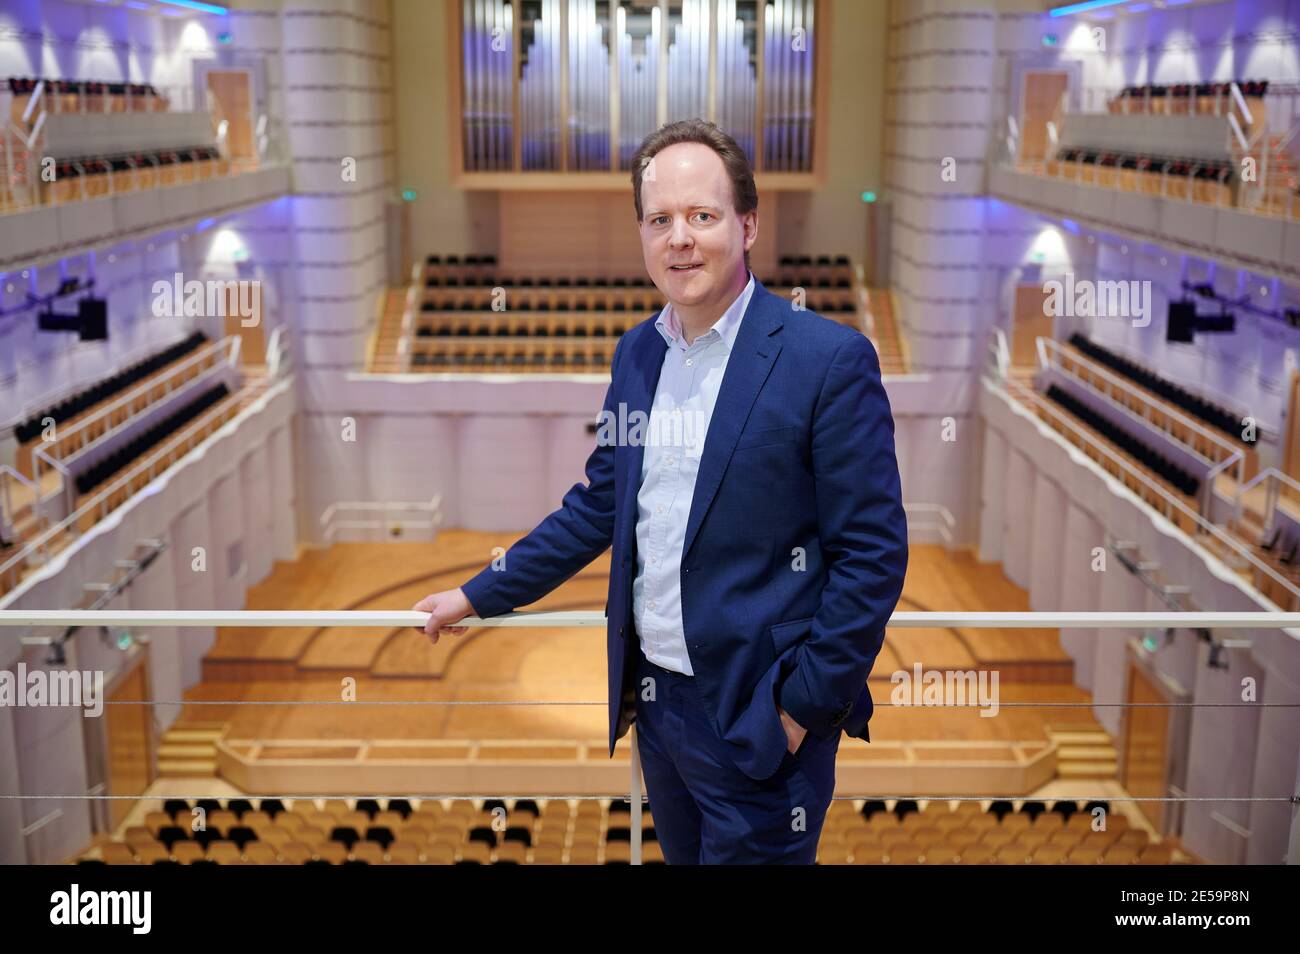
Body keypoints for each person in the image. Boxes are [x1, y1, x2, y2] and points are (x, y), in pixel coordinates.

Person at [414, 118, 908, 864]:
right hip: (655, 704)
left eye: (702, 216)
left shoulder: (828, 360)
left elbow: (872, 555)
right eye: (660, 220)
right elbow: (599, 505)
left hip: (761, 714)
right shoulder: (638, 354)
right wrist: (477, 595)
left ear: (746, 224)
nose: (680, 237)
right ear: (643, 235)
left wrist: (801, 708)